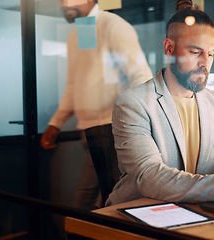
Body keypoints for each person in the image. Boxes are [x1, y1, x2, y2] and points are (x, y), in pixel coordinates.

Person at [107, 2, 214, 210]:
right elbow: (149, 176)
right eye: (195, 52)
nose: (205, 63)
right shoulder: (133, 103)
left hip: (193, 209)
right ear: (169, 48)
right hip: (138, 212)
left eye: (210, 53)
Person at [40, 0, 152, 209]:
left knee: (103, 201)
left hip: (111, 130)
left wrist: (134, 122)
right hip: (90, 132)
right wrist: (55, 123)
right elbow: (75, 84)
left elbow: (140, 75)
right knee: (105, 200)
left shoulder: (113, 25)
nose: (66, 4)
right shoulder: (80, 32)